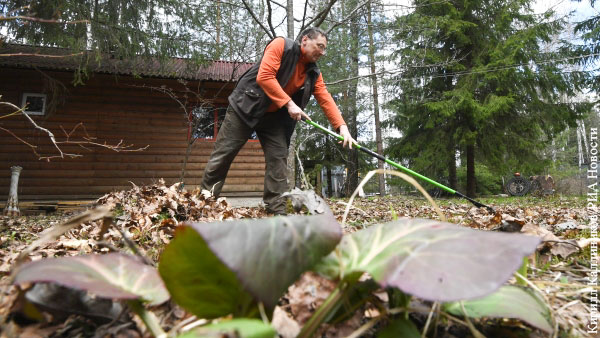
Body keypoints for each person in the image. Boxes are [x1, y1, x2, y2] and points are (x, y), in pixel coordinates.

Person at [201, 27, 355, 215]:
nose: (322, 52)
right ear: (305, 40)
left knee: (278, 161)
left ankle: (277, 211)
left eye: (325, 49)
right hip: (246, 107)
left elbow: (325, 98)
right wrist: (290, 104)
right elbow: (264, 77)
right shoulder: (281, 45)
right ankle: (204, 202)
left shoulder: (313, 73)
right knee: (224, 154)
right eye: (319, 46)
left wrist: (342, 127)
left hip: (274, 117)